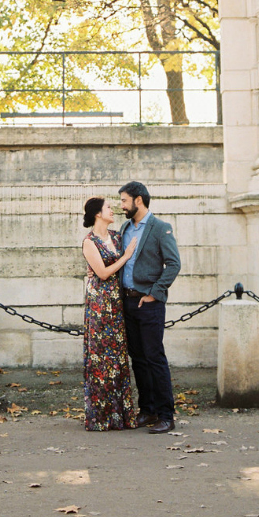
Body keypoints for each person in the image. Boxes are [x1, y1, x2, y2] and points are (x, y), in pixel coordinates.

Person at [117, 181, 181, 434]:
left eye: (124, 200)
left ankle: (166, 415)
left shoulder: (160, 228)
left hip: (149, 303)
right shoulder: (125, 228)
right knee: (139, 359)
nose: (121, 205)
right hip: (127, 302)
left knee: (154, 358)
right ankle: (148, 410)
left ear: (138, 200)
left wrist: (155, 294)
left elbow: (173, 264)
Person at [79, 196, 138, 431]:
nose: (112, 210)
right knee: (100, 358)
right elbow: (102, 273)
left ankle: (120, 415)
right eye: (108, 208)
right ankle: (101, 417)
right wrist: (125, 256)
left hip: (116, 303)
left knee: (117, 357)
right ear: (97, 214)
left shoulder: (116, 236)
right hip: (99, 304)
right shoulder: (89, 241)